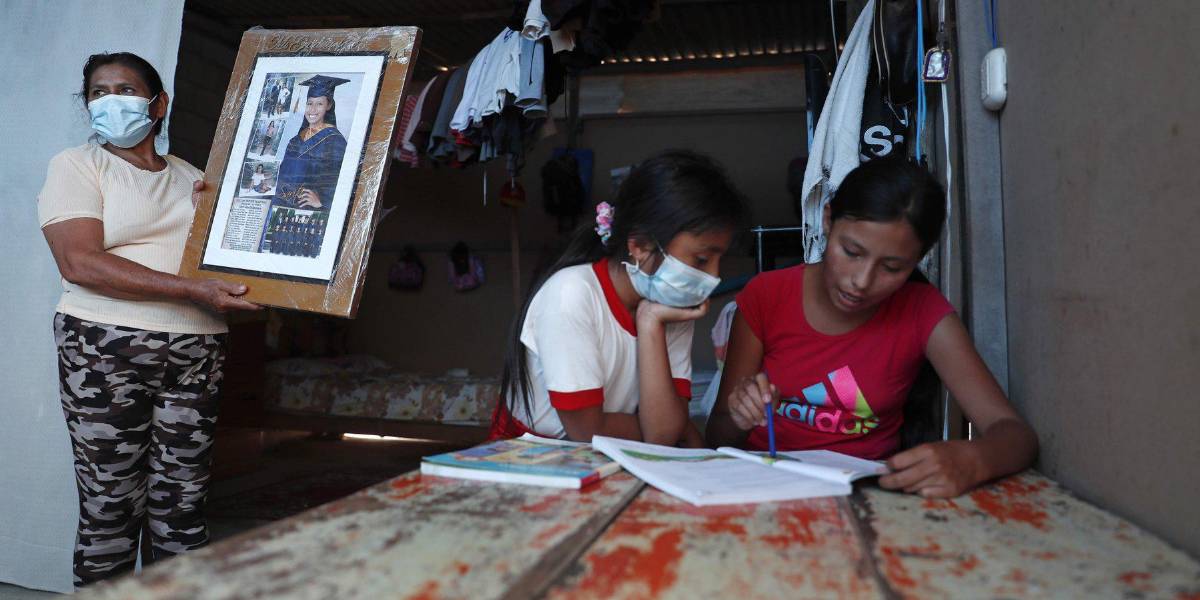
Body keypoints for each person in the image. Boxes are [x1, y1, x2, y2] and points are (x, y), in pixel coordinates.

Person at [37, 52, 259, 586]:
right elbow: (79, 262)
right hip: (104, 350)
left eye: (125, 89)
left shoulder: (193, 179)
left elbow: (231, 260)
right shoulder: (77, 166)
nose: (111, 100)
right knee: (111, 506)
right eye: (98, 92)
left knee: (182, 509)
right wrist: (191, 289)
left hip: (197, 350)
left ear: (158, 104)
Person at [706, 158, 1038, 498]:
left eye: (892, 267)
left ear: (917, 259)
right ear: (828, 220)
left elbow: (1015, 436)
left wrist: (972, 458)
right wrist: (738, 415)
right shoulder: (767, 296)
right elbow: (717, 437)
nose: (861, 282)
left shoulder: (923, 312)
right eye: (851, 252)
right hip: (762, 487)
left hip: (869, 497)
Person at [492, 150, 749, 446]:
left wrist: (650, 321)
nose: (713, 276)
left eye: (719, 260)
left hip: (616, 457)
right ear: (639, 245)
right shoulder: (572, 295)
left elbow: (663, 434)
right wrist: (661, 426)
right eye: (702, 259)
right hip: (533, 457)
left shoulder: (670, 304)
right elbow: (588, 431)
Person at [273, 75, 349, 212]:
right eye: (309, 103)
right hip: (281, 205)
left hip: (307, 212)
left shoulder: (335, 141)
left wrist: (323, 201)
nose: (312, 109)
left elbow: (342, 180)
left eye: (319, 104)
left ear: (329, 106)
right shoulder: (295, 140)